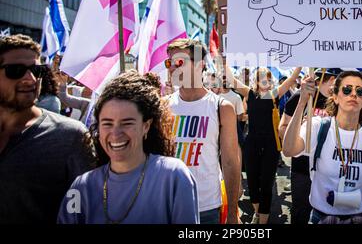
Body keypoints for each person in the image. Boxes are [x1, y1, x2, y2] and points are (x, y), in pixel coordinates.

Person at [57, 70, 199, 224]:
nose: (116, 133)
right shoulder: (81, 187)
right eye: (107, 123)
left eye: (127, 123)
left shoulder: (174, 176)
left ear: (146, 126)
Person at [0, 34, 94, 223]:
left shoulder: (70, 137)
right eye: (16, 70)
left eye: (37, 70)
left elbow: (86, 210)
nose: (30, 79)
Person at [283, 71, 362, 224]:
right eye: (347, 89)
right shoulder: (319, 126)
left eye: (360, 91)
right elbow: (289, 149)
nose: (353, 94)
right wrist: (302, 102)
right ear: (335, 96)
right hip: (323, 217)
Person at [165, 39, 240, 224]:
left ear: (200, 65)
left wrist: (232, 212)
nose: (173, 68)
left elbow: (230, 162)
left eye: (180, 62)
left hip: (206, 207)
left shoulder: (222, 107)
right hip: (167, 205)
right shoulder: (162, 106)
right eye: (169, 63)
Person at [226, 65, 302, 224]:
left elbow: (291, 80)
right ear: (257, 81)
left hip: (270, 145)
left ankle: (262, 222)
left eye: (268, 79)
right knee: (253, 185)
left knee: (266, 185)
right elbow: (232, 79)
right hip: (251, 145)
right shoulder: (250, 94)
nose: (265, 82)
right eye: (262, 79)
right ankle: (258, 212)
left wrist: (299, 64)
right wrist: (224, 58)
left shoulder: (274, 95)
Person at [279, 68, 341, 224]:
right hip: (303, 167)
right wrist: (302, 127)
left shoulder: (340, 102)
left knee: (330, 213)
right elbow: (282, 129)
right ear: (333, 79)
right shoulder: (302, 97)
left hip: (330, 169)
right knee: (301, 211)